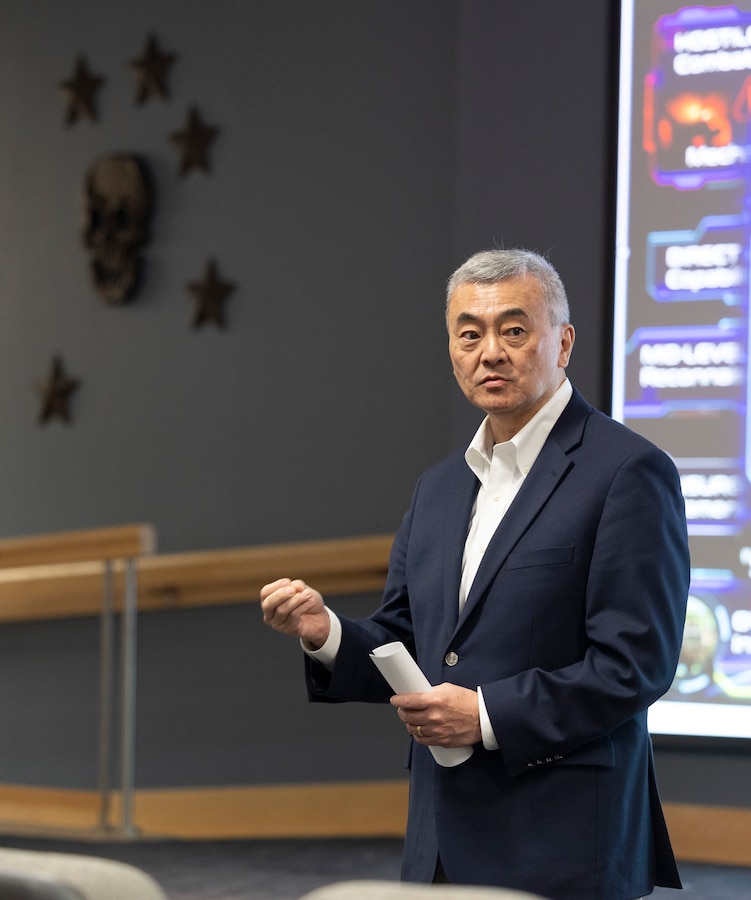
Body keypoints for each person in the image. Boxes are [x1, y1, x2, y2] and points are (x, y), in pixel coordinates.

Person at [260, 249, 690, 900]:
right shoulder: (437, 487)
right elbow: (403, 636)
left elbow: (634, 665)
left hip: (562, 838)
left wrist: (485, 714)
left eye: (513, 330)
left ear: (562, 341)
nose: (490, 351)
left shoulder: (627, 473)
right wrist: (326, 634)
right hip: (440, 836)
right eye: (469, 333)